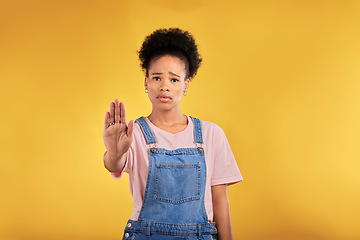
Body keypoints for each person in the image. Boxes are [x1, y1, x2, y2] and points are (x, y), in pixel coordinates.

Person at [102, 27, 243, 240]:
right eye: (157, 78)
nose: (164, 86)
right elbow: (114, 164)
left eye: (174, 80)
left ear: (185, 85)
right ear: (146, 82)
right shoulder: (134, 133)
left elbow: (220, 200)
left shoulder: (211, 134)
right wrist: (114, 152)